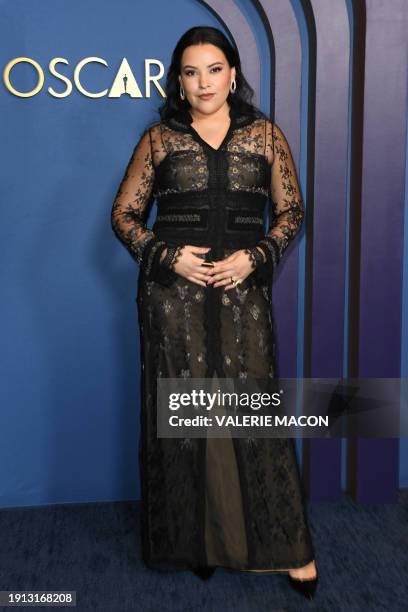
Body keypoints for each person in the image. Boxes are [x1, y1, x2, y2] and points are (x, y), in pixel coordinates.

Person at [111, 26, 318, 599]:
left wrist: (257, 257)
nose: (203, 82)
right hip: (171, 297)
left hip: (242, 292)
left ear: (232, 74)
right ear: (179, 80)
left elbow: (292, 211)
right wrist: (166, 256)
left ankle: (288, 550)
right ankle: (195, 542)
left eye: (213, 69)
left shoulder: (265, 135)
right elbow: (125, 215)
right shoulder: (159, 139)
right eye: (190, 72)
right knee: (186, 413)